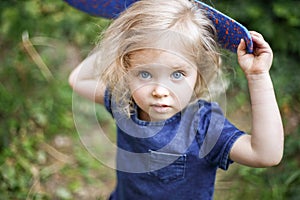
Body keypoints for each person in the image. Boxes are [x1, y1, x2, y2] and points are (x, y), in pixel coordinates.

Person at [68, 0, 284, 199]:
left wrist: (257, 77)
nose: (160, 91)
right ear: (126, 70)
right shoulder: (125, 103)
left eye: (177, 74)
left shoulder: (202, 125)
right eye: (145, 74)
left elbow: (265, 154)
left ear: (198, 73)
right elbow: (78, 79)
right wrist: (119, 36)